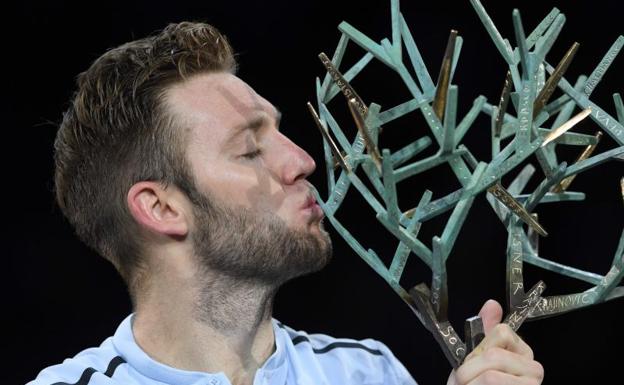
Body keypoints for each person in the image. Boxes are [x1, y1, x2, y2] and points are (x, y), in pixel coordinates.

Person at [28, 22, 544, 385]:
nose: (302, 161)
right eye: (250, 149)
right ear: (162, 208)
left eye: (282, 134)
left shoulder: (368, 372)